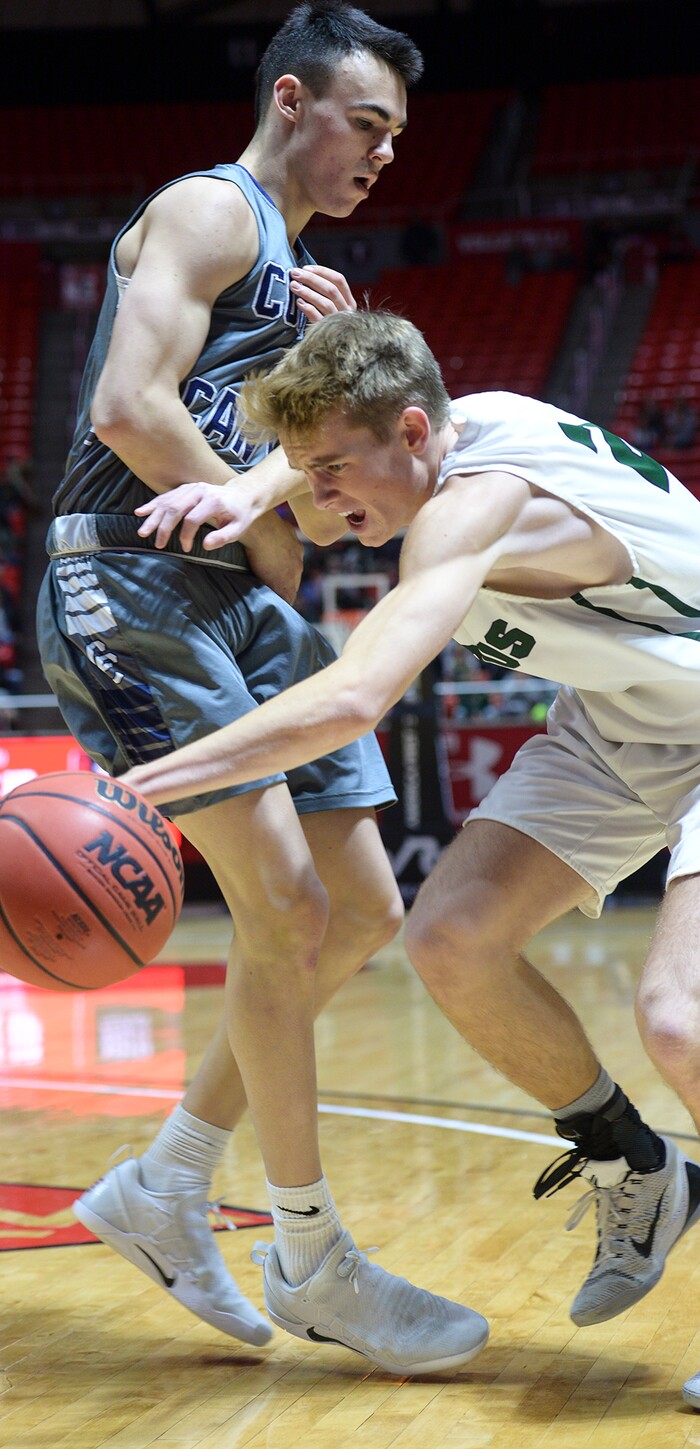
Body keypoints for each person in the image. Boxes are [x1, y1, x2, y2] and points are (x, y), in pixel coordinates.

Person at [124, 307, 700, 1402]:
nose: (323, 492)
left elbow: (351, 697)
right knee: (452, 942)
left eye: (334, 471)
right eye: (309, 471)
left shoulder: (472, 510)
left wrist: (157, 777)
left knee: (679, 1018)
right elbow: (347, 434)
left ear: (415, 433)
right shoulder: (436, 429)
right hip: (634, 709)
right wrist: (251, 488)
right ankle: (641, 1170)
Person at [36, 7, 490, 1375]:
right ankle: (308, 1251)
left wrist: (307, 373)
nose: (383, 154)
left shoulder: (291, 267)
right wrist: (269, 520)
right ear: (292, 100)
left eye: (399, 138)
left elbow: (259, 432)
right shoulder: (207, 209)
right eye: (367, 123)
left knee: (360, 908)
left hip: (230, 595)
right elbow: (126, 401)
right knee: (289, 908)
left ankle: (172, 1183)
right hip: (132, 575)